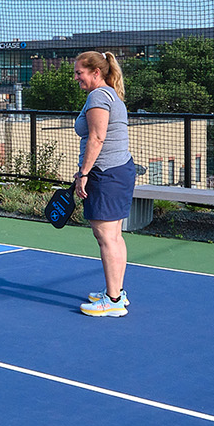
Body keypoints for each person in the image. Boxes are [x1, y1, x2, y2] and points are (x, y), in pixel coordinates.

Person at [71, 50, 138, 316]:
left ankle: (112, 302)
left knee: (106, 237)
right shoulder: (111, 94)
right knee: (113, 236)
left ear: (95, 72)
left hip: (106, 173)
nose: (76, 78)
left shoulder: (98, 96)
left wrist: (83, 173)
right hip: (118, 171)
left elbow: (97, 138)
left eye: (79, 73)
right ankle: (116, 292)